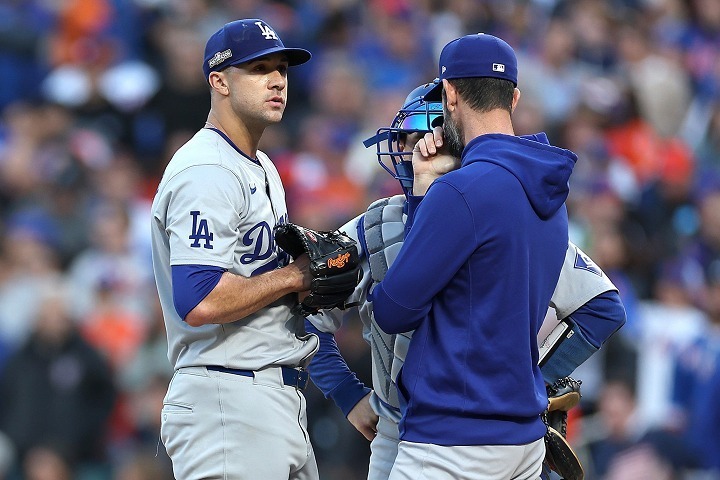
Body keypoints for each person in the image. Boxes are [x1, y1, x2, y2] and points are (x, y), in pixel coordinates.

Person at [305, 78, 626, 479]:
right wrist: (346, 392)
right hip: (399, 430)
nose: (407, 150)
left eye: (420, 138)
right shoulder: (376, 223)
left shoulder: (507, 213)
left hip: (476, 428)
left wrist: (532, 380)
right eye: (403, 139)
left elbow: (601, 307)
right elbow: (307, 313)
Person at [366, 33, 579, 480]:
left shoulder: (460, 189)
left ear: (450, 93)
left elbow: (394, 310)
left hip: (454, 441)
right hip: (522, 440)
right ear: (514, 97)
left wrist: (427, 193)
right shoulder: (551, 192)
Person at [150, 19, 321, 480]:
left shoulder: (262, 164)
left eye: (282, 68)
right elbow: (199, 299)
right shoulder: (205, 168)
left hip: (272, 394)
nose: (277, 80)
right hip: (226, 398)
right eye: (259, 68)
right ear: (219, 81)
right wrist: (294, 276)